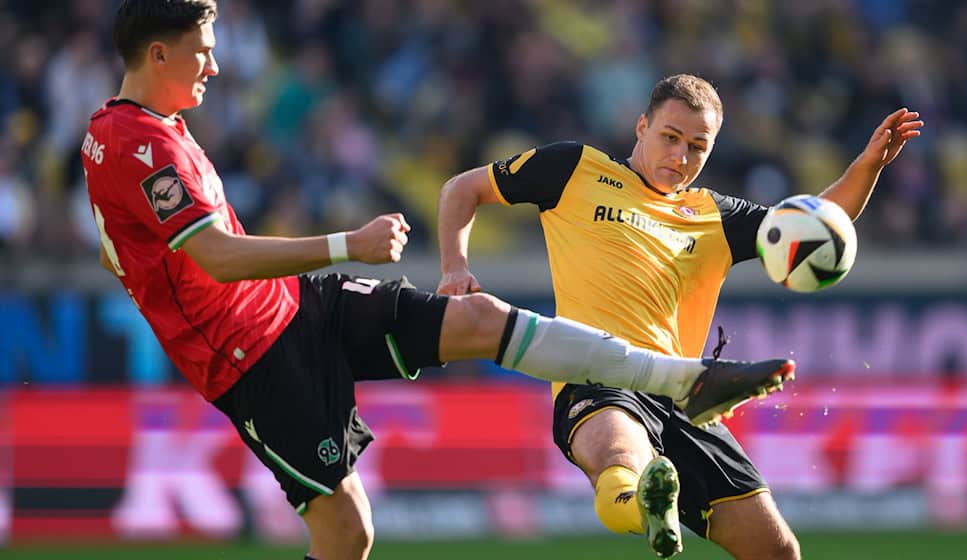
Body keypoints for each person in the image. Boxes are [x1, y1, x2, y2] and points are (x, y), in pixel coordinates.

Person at [83, 4, 796, 559]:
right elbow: (219, 258)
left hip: (301, 306)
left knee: (480, 318)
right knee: (347, 538)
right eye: (203, 49)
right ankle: (676, 385)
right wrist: (348, 245)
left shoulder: (157, 127)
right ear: (158, 52)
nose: (214, 63)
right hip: (255, 358)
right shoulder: (133, 143)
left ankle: (682, 379)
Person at [437, 74, 922, 559]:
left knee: (779, 551)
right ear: (642, 126)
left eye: (697, 146)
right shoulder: (573, 168)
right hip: (595, 375)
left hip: (685, 395)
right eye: (670, 138)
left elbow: (814, 227)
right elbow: (462, 189)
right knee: (621, 465)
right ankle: (649, 509)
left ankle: (652, 501)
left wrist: (868, 165)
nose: (681, 157)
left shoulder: (715, 214)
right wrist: (454, 268)